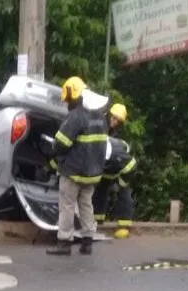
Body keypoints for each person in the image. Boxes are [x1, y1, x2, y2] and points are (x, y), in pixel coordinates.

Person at [46, 76, 108, 256]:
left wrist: (53, 150)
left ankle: (64, 242)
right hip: (93, 172)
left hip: (74, 171)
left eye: (68, 99)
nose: (67, 104)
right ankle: (87, 242)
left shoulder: (76, 117)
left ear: (74, 96)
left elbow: (61, 144)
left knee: (67, 205)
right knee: (86, 205)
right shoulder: (99, 116)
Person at [93, 103, 137, 238]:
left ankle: (124, 225)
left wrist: (119, 184)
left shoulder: (119, 134)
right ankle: (97, 219)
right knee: (100, 191)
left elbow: (124, 153)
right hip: (106, 168)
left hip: (121, 169)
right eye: (114, 118)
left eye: (118, 120)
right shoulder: (100, 125)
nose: (115, 121)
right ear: (109, 114)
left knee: (123, 193)